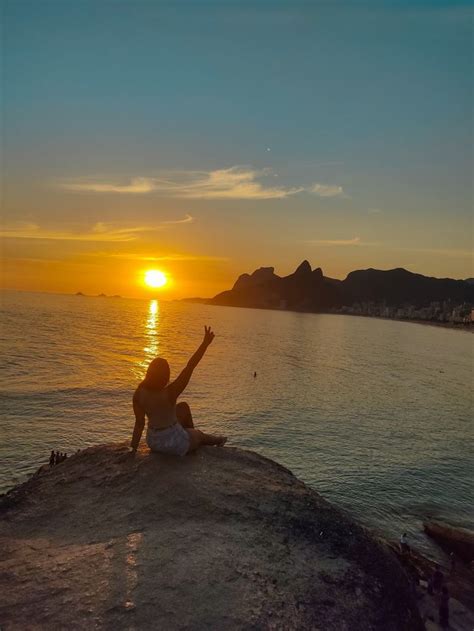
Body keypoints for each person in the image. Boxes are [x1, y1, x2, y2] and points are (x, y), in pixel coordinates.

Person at [130, 326, 227, 456]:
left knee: (183, 407)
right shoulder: (171, 392)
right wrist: (205, 344)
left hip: (153, 441)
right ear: (165, 376)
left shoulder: (139, 394)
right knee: (199, 435)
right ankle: (218, 440)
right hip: (173, 443)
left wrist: (133, 450)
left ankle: (188, 434)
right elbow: (190, 366)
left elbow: (139, 424)